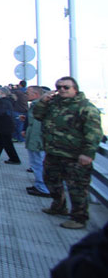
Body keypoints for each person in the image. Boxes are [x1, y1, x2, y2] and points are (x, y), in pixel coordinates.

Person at [33, 76, 103, 230]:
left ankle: (79, 218)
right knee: (51, 180)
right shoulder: (54, 104)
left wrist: (88, 153)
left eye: (66, 87)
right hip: (53, 152)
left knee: (77, 188)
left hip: (74, 156)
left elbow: (94, 133)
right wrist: (43, 101)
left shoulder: (86, 108)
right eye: (59, 87)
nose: (62, 90)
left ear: (75, 89)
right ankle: (59, 206)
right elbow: (37, 115)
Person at [22, 86, 50, 197]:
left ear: (36, 94)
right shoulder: (35, 105)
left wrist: (37, 140)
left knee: (39, 163)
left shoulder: (40, 106)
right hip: (34, 137)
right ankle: (39, 185)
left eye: (27, 93)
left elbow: (39, 125)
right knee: (35, 163)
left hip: (37, 139)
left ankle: (43, 188)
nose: (26, 95)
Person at [0, 87, 21, 164]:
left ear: (3, 94)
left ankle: (14, 159)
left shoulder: (4, 102)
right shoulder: (4, 101)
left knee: (7, 143)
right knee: (0, 142)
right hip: (3, 125)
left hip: (4, 125)